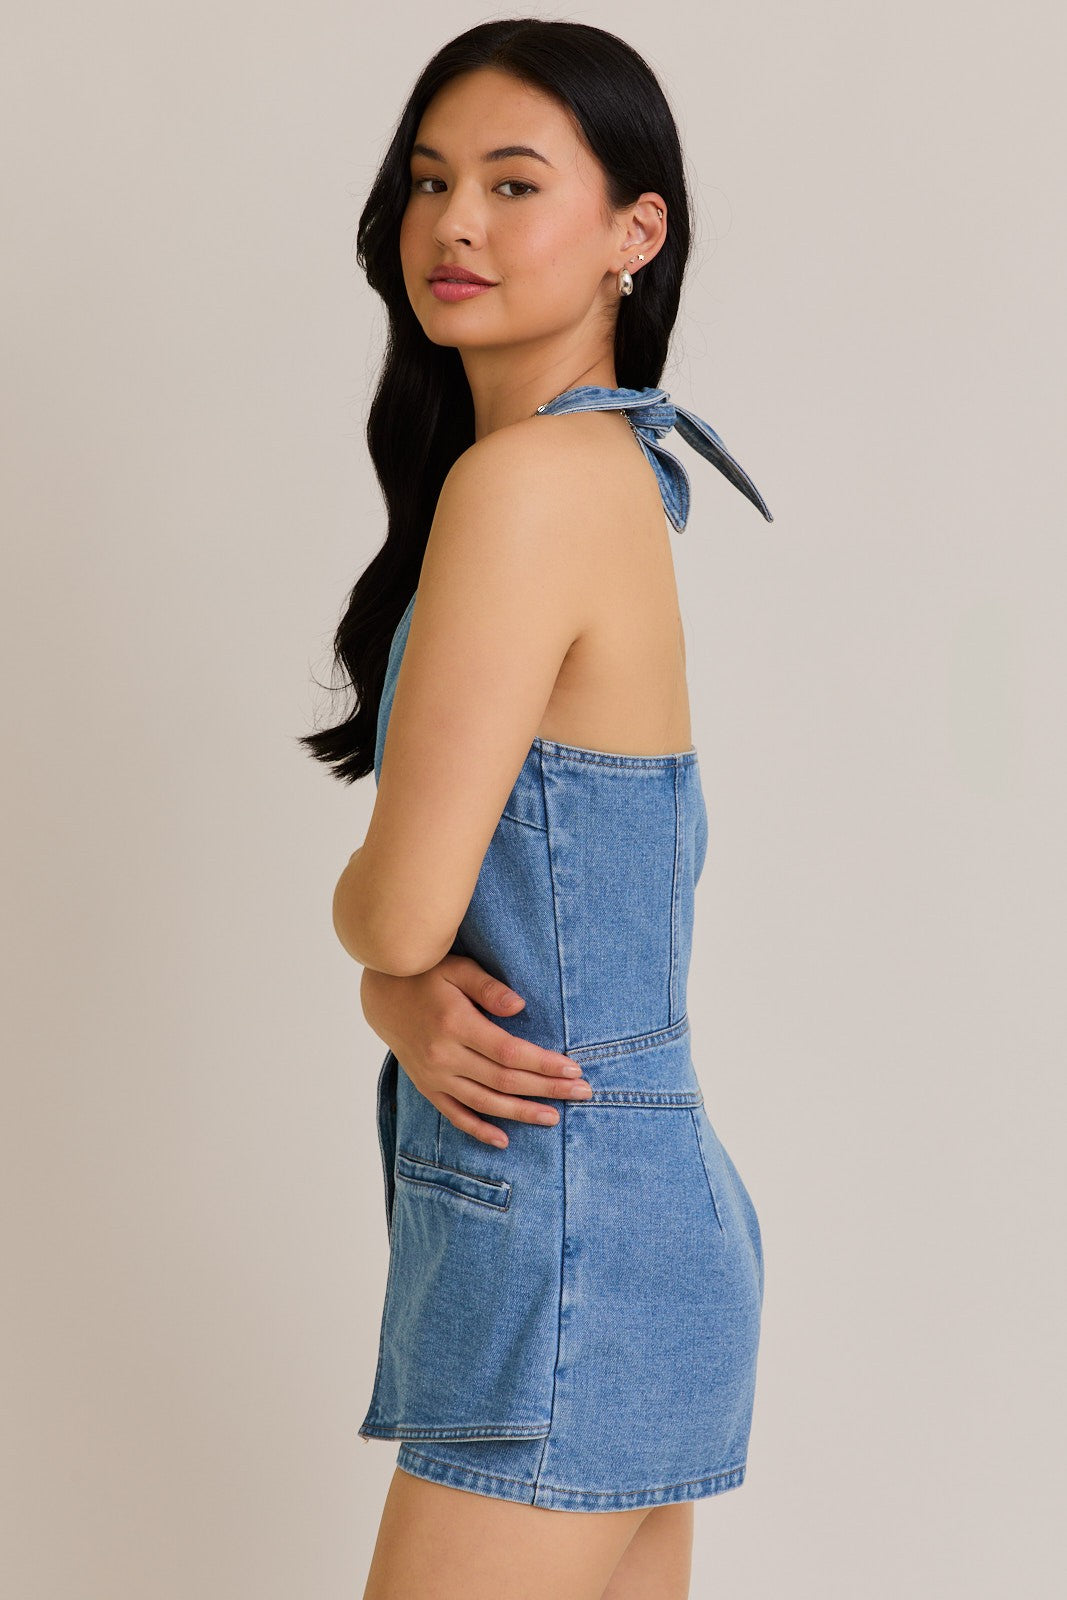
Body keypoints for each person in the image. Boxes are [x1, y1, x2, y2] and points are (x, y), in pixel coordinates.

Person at [301, 18, 773, 1599]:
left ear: (635, 233)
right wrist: (399, 982)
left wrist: (380, 972)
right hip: (637, 1214)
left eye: (514, 184)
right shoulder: (615, 471)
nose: (455, 224)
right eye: (431, 181)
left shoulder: (525, 489)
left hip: (564, 1237)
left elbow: (403, 912)